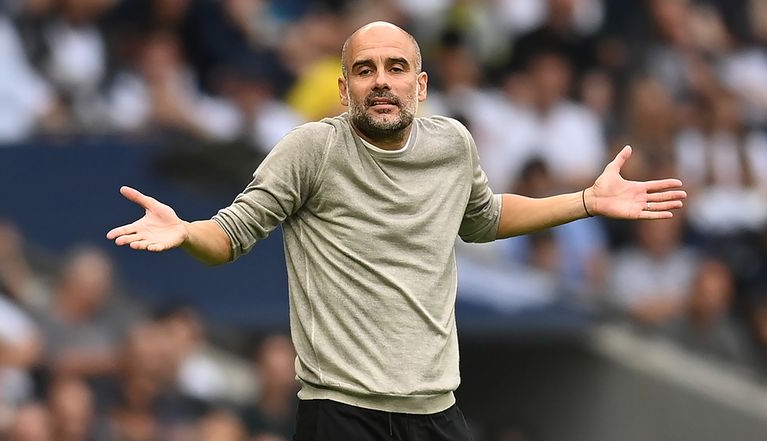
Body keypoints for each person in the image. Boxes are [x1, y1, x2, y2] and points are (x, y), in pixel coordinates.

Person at [107, 21, 686, 441]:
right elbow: (229, 237)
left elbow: (482, 220)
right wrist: (187, 232)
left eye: (395, 68)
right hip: (341, 413)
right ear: (343, 90)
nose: (380, 81)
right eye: (365, 70)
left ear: (421, 85)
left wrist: (585, 200)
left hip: (435, 410)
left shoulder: (452, 144)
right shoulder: (309, 151)